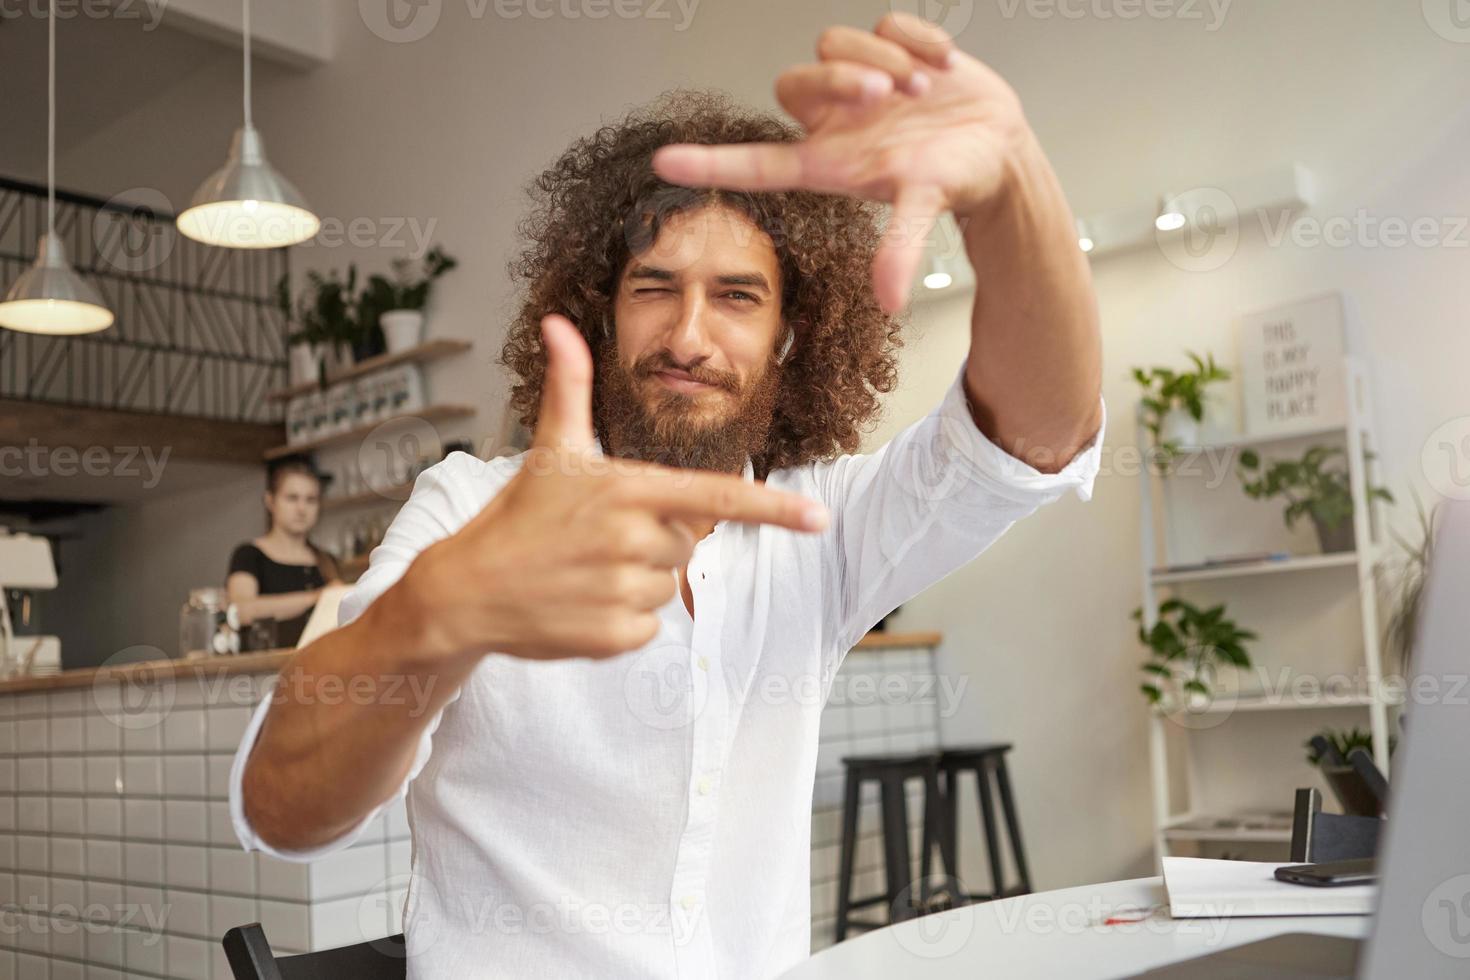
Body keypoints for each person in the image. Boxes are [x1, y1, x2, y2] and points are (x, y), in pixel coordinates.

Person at [231, 14, 1105, 978]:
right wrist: (446, 611)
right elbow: (284, 808)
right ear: (599, 315)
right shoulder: (468, 508)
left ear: (791, 337)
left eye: (737, 297)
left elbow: (1033, 437)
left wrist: (1013, 184)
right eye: (654, 288)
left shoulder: (818, 529)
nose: (688, 334)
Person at [226, 455, 341, 649]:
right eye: (292, 498)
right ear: (270, 501)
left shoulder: (327, 560)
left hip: (322, 668)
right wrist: (315, 597)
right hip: (264, 672)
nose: (301, 508)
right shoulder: (249, 555)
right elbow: (242, 611)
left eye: (311, 500)